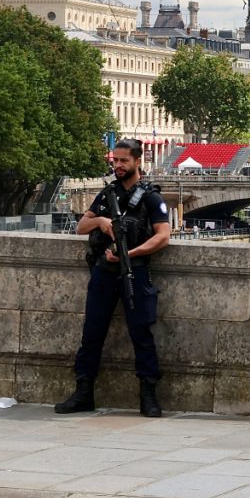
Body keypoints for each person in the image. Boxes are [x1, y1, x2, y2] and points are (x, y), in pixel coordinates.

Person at [55, 138, 171, 418]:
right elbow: (82, 226)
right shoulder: (108, 194)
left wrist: (130, 253)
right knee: (92, 332)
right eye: (115, 161)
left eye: (123, 161)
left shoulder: (151, 197)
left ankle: (148, 394)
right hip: (104, 273)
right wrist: (101, 222)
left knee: (141, 333)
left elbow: (163, 236)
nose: (117, 166)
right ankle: (84, 392)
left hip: (134, 270)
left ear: (137, 161)